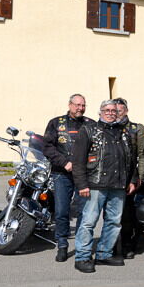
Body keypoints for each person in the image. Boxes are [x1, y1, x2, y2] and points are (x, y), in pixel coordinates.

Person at [71, 100, 137, 273]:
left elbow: (131, 158)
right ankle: (82, 257)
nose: (110, 113)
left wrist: (132, 179)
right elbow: (78, 161)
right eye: (106, 110)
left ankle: (104, 254)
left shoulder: (124, 132)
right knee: (88, 222)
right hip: (95, 185)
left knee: (114, 222)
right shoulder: (88, 130)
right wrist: (81, 184)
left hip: (118, 185)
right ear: (100, 112)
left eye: (114, 110)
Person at [43, 93, 94, 262]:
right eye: (77, 105)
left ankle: (81, 245)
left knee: (83, 212)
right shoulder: (55, 123)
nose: (80, 108)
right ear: (70, 105)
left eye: (83, 105)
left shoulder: (91, 124)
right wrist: (64, 162)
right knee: (61, 211)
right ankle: (62, 245)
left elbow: (97, 148)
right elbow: (47, 147)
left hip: (84, 176)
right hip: (61, 174)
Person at [113, 98, 144, 260]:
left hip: (129, 177)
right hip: (111, 178)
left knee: (127, 215)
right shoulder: (108, 127)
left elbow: (142, 154)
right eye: (114, 111)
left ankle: (127, 245)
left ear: (126, 111)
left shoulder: (136, 129)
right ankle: (112, 245)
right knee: (111, 215)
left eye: (119, 111)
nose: (116, 114)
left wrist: (139, 176)